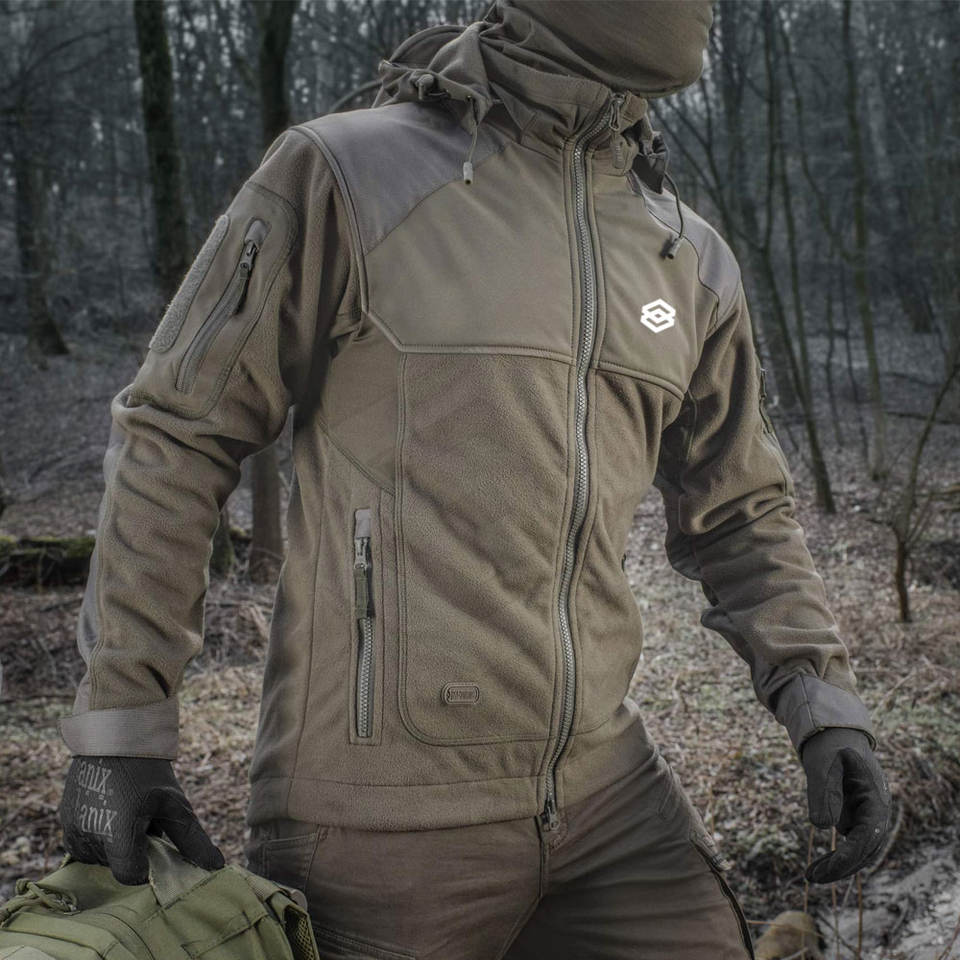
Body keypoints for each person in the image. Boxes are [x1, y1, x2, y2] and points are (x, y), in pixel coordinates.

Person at [57, 2, 892, 957]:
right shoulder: (347, 175)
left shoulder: (685, 255)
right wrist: (121, 731)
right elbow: (177, 430)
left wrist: (821, 704)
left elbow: (740, 511)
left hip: (609, 797)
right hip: (380, 821)